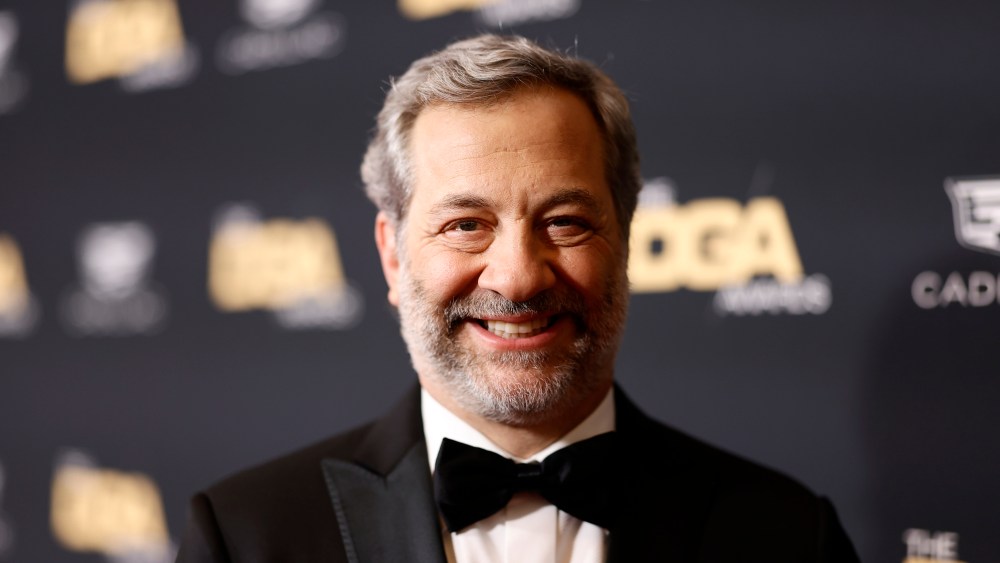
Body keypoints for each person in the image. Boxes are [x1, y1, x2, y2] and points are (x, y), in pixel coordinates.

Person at [176, 34, 860, 562]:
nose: (517, 278)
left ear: (623, 241)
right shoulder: (249, 536)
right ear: (392, 253)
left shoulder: (788, 534)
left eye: (563, 221)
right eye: (465, 225)